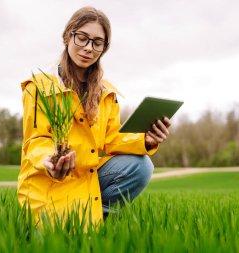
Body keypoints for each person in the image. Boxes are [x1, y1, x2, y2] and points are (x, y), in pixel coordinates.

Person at [17, 6, 171, 224]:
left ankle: (100, 217)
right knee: (57, 239)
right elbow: (35, 141)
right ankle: (83, 219)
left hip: (86, 178)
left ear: (103, 48)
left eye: (97, 42)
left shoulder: (106, 93)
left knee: (141, 165)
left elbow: (111, 139)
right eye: (82, 38)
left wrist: (144, 140)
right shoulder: (40, 87)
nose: (88, 48)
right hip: (50, 181)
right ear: (67, 36)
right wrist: (50, 161)